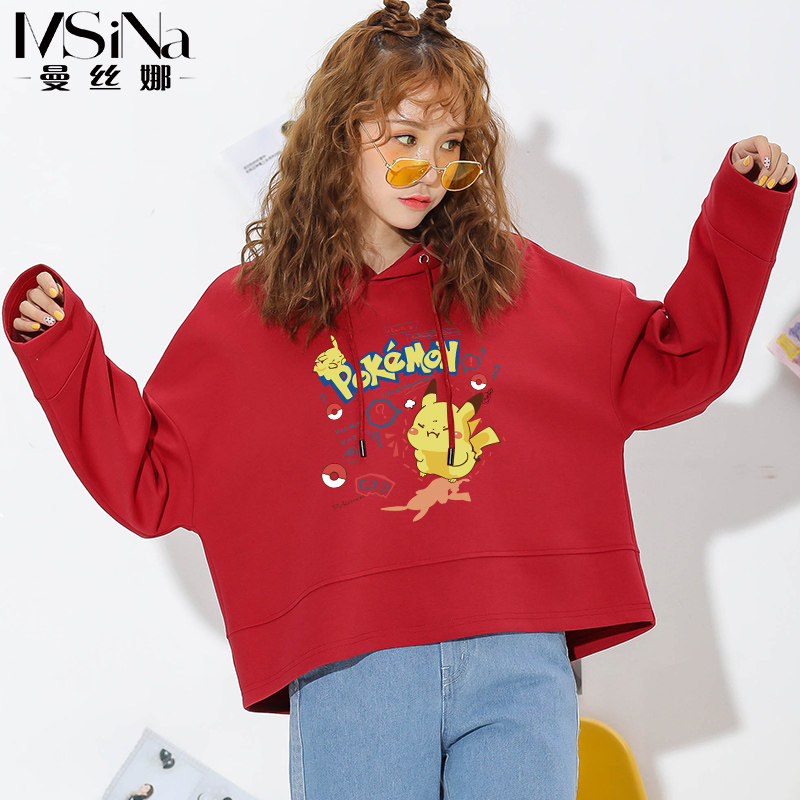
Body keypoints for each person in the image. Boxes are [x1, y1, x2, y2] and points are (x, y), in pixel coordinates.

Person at [3, 1, 795, 798]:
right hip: (356, 668)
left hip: (519, 655)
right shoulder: (253, 314)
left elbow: (680, 360)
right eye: (405, 137)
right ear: (341, 134)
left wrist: (744, 208)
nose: (431, 168)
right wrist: (64, 348)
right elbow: (148, 477)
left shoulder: (514, 283)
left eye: (451, 144)